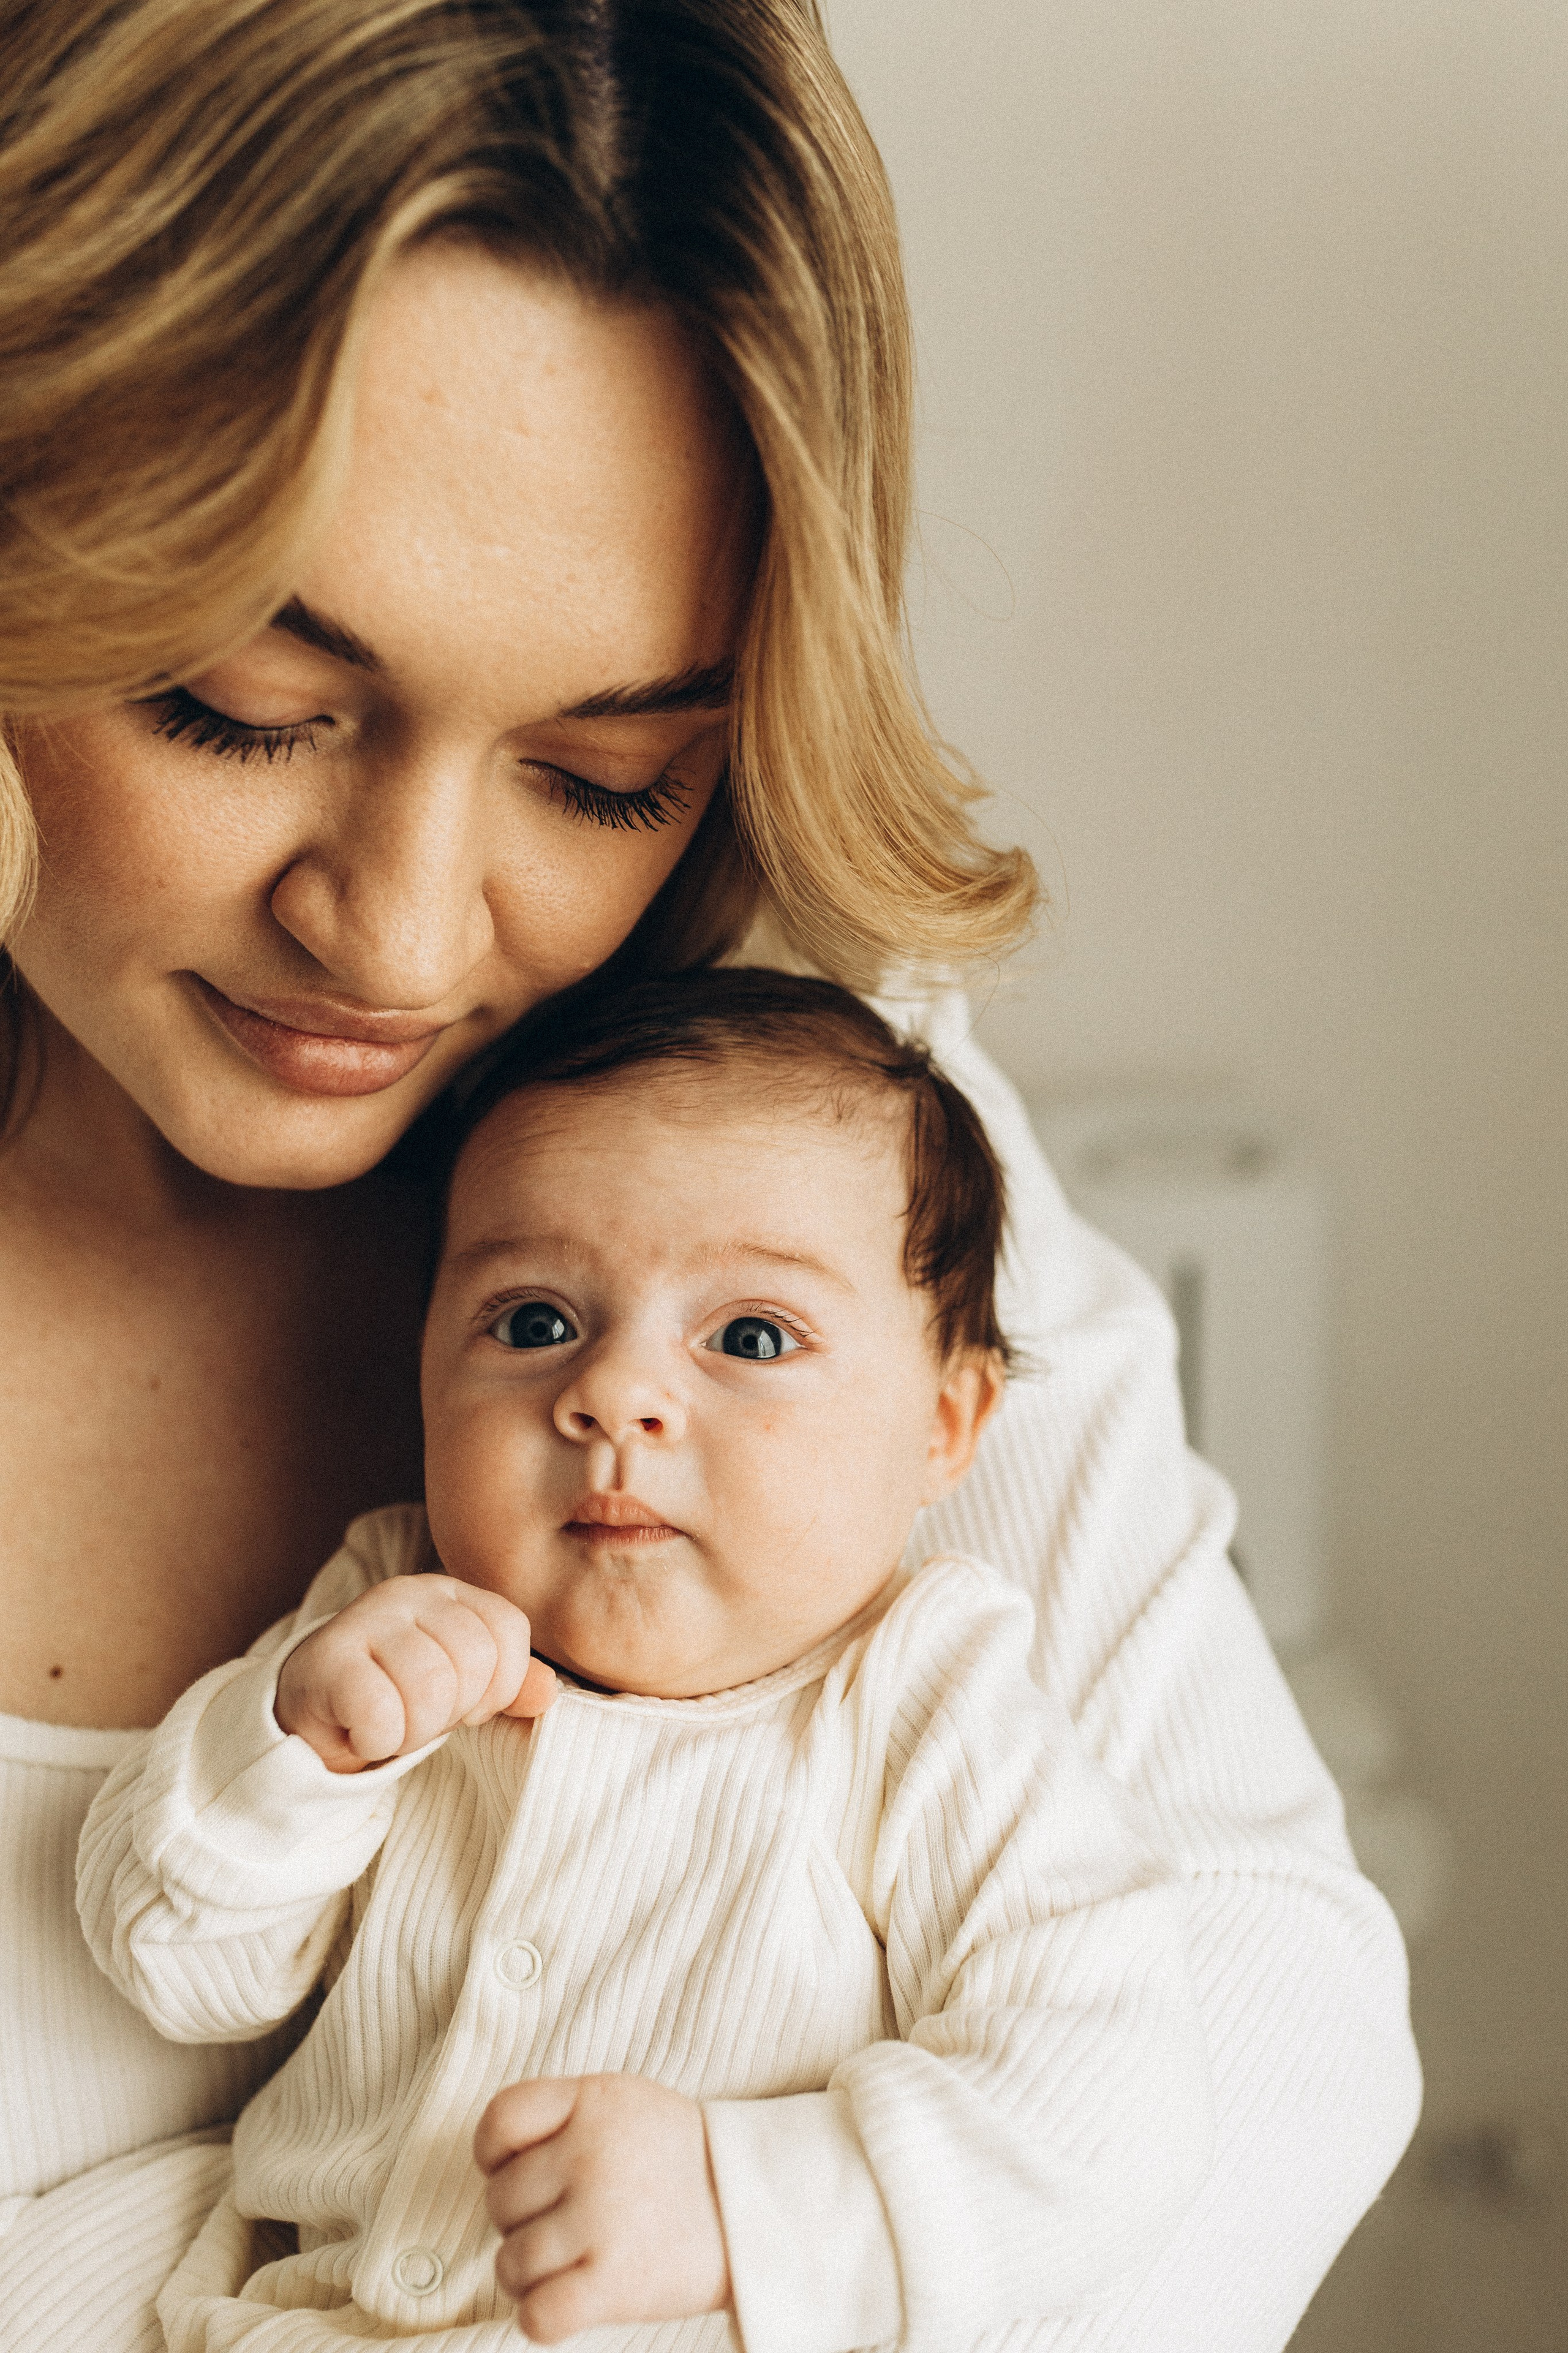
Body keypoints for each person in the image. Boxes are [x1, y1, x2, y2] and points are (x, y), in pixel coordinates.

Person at [0, 4, 1419, 2351]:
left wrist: (751, 2239)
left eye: (603, 773)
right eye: (239, 711)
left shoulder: (789, 1115)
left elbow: (1255, 2033)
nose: (410, 931)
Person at [80, 970, 1217, 2352]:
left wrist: (747, 2203)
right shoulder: (391, 1618)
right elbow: (176, 1966)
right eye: (534, 1321)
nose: (612, 1392)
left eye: (749, 1336)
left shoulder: (926, 1710)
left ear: (943, 1425)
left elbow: (1105, 2099)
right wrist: (292, 1758)